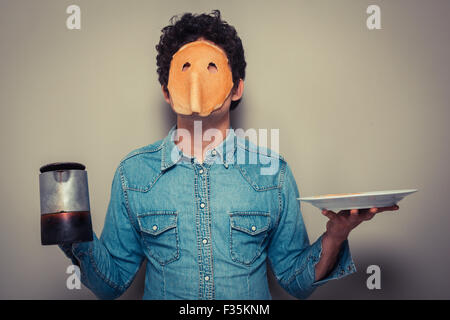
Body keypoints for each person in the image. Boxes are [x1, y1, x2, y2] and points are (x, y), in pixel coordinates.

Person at [59, 10, 399, 300]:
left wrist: (336, 235)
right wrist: (70, 228)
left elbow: (296, 283)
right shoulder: (133, 174)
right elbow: (112, 283)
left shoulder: (273, 173)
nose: (199, 83)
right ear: (167, 92)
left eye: (212, 69)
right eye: (187, 70)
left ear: (237, 88)